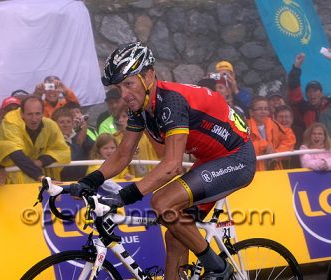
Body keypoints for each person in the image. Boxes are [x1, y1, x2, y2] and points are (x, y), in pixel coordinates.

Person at [68, 42, 256, 279]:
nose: (124, 94)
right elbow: (123, 154)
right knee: (177, 234)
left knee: (163, 203)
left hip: (236, 158)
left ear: (149, 75)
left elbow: (172, 166)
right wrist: (90, 181)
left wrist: (123, 197)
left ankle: (218, 268)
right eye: (119, 87)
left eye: (128, 84)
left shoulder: (172, 102)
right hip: (210, 161)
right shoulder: (141, 107)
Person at [0, 95, 70, 184]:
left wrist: (41, 161)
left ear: (43, 113)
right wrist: (41, 177)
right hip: (9, 176)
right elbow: (16, 153)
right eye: (30, 114)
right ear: (22, 113)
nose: (34, 119)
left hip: (35, 175)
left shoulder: (50, 125)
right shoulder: (11, 122)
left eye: (37, 114)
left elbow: (62, 150)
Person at [247, 97, 296, 171]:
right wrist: (264, 145)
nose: (263, 112)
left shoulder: (274, 125)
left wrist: (276, 153)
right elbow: (241, 149)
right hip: (253, 173)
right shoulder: (243, 127)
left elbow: (289, 138)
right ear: (251, 112)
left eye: (266, 109)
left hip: (274, 171)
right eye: (260, 109)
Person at [113, 106, 159, 177]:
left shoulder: (142, 136)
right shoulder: (115, 138)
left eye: (124, 117)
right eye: (119, 118)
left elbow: (151, 156)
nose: (120, 120)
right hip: (126, 179)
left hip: (145, 176)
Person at [288, 53, 329, 128]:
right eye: (309, 91)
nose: (312, 94)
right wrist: (296, 67)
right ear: (306, 95)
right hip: (311, 139)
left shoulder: (329, 104)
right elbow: (293, 88)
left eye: (315, 90)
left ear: (321, 93)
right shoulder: (303, 108)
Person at [51, 107, 89, 181]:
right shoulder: (51, 141)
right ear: (54, 124)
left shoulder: (80, 136)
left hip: (81, 181)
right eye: (61, 122)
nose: (66, 125)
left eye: (68, 122)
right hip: (61, 182)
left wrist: (84, 140)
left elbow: (95, 151)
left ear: (73, 123)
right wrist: (78, 145)